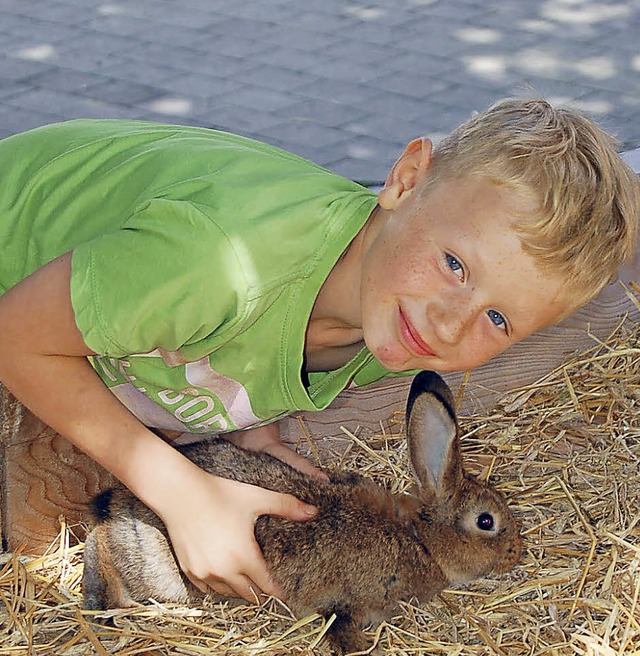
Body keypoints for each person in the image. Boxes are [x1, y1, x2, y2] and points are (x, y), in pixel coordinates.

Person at [0, 98, 637, 603]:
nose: (449, 325)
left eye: (497, 318)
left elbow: (260, 331)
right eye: (455, 265)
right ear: (407, 179)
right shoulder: (222, 263)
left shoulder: (385, 305)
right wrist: (182, 493)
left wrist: (250, 420)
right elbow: (12, 336)